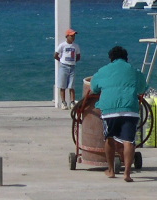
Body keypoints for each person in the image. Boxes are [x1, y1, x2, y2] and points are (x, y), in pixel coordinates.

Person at [88, 45, 148, 181]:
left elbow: (94, 88)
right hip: (130, 110)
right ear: (126, 58)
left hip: (109, 111)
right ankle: (127, 173)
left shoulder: (103, 71)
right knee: (129, 141)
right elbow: (142, 88)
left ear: (111, 59)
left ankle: (111, 171)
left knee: (109, 138)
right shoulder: (134, 71)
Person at [53, 29, 81, 108]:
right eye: (71, 36)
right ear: (67, 36)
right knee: (62, 85)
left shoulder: (76, 46)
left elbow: (78, 56)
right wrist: (61, 61)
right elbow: (55, 55)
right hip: (64, 66)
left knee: (71, 86)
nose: (73, 37)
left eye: (74, 36)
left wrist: (74, 61)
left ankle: (72, 102)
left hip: (72, 67)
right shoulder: (62, 45)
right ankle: (63, 102)